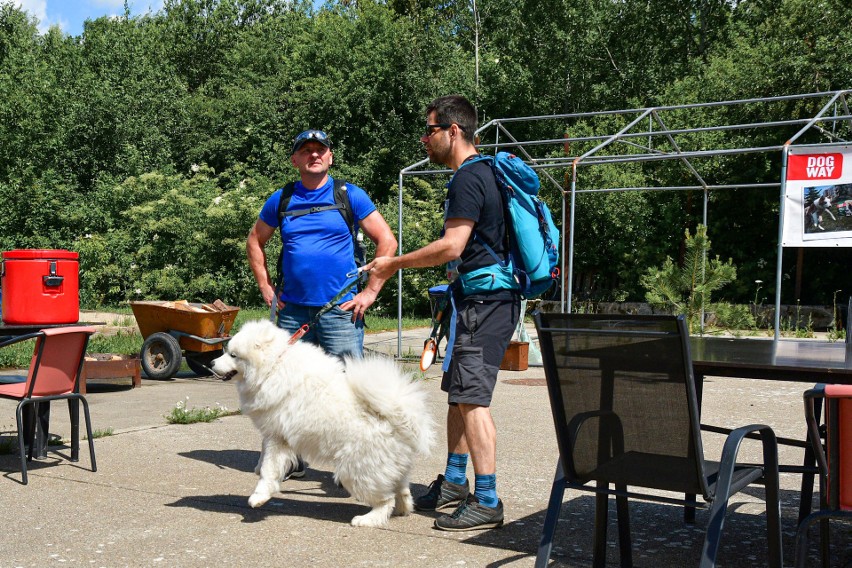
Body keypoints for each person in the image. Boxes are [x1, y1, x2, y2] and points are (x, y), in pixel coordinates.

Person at [364, 95, 520, 531]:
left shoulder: (469, 179)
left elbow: (451, 246)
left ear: (454, 131)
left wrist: (393, 263)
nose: (424, 138)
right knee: (458, 394)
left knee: (473, 401)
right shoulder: (483, 173)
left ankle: (487, 499)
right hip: (476, 302)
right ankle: (455, 481)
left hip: (485, 305)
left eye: (430, 129)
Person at [247, 129, 397, 476]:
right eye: (306, 150)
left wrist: (371, 291)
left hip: (340, 311)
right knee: (284, 388)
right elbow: (255, 241)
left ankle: (363, 462)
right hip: (292, 312)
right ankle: (288, 458)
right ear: (295, 159)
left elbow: (386, 241)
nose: (314, 155)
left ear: (330, 157)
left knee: (353, 390)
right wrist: (265, 286)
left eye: (320, 150)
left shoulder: (349, 195)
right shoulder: (282, 199)